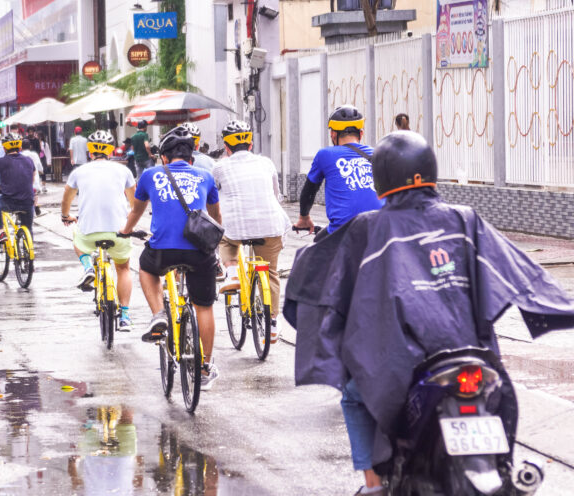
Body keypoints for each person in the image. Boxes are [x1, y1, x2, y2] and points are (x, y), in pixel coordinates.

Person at [284, 131, 574, 495]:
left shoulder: (368, 227)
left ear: (381, 181)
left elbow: (317, 278)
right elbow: (521, 274)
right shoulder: (465, 219)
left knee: (354, 393)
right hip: (473, 357)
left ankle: (373, 485)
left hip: (399, 363)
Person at [119, 126, 222, 390]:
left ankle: (158, 315)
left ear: (163, 157)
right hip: (199, 251)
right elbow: (215, 217)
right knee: (205, 307)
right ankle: (205, 367)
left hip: (163, 250)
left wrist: (126, 231)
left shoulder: (150, 175)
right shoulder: (205, 176)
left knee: (145, 267)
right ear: (192, 158)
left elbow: (136, 212)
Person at [212, 120, 291, 342]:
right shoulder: (266, 163)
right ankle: (273, 324)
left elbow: (212, 196)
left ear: (226, 147)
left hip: (236, 226)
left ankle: (233, 272)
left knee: (224, 239)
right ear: (251, 143)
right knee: (271, 271)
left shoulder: (219, 167)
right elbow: (276, 195)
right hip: (270, 224)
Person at [61, 130, 137, 330]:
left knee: (77, 236)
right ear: (111, 150)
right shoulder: (124, 171)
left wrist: (65, 215)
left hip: (89, 233)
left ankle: (87, 267)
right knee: (123, 268)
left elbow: (66, 198)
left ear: (89, 151)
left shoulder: (78, 172)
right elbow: (135, 203)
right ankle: (126, 315)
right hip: (119, 232)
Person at [296, 106, 383, 240]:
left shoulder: (325, 154)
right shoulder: (377, 153)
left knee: (317, 244)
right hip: (380, 229)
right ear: (361, 133)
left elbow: (309, 191)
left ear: (333, 134)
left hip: (344, 233)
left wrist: (304, 217)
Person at [0, 132, 37, 243]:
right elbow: (31, 180)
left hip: (9, 202)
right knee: (28, 228)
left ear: (4, 148)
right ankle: (29, 253)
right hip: (28, 202)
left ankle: (0, 231)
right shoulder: (29, 160)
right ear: (20, 147)